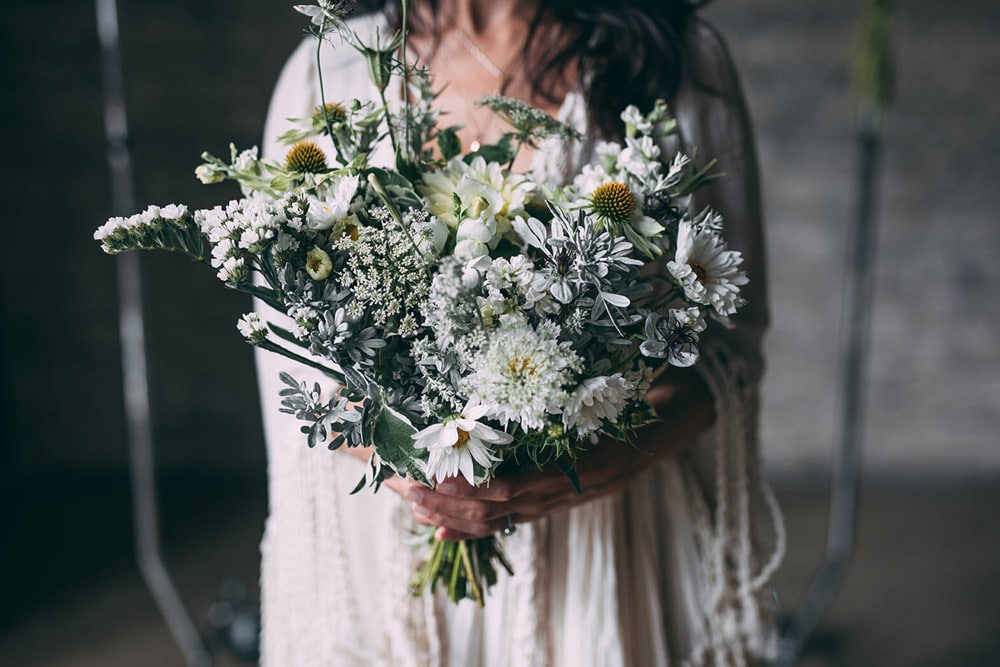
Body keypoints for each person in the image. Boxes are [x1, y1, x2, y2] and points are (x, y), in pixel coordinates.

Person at [254, 1, 784, 665]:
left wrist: (593, 467)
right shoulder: (328, 70)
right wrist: (416, 468)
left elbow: (729, 348)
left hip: (604, 551)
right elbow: (293, 353)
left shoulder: (677, 62)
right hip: (386, 546)